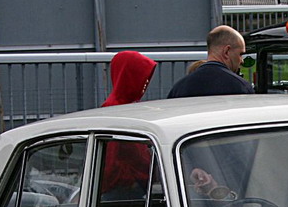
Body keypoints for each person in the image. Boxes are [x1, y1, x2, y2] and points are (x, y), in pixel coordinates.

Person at [100, 51, 158, 197]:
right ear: (129, 77)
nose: (146, 83)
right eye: (141, 77)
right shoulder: (118, 111)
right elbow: (132, 158)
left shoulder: (120, 107)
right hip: (124, 191)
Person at [168, 25, 254, 98]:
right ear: (226, 51)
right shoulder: (240, 87)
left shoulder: (178, 89)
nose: (242, 61)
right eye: (240, 54)